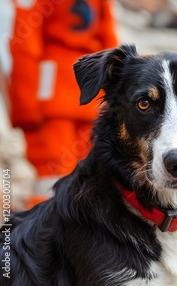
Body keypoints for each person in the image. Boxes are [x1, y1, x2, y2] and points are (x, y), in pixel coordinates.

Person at [9, 0, 118, 206]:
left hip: (51, 97)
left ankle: (42, 233)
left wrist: (23, 109)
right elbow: (110, 44)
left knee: (50, 178)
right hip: (90, 94)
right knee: (91, 175)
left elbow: (25, 47)